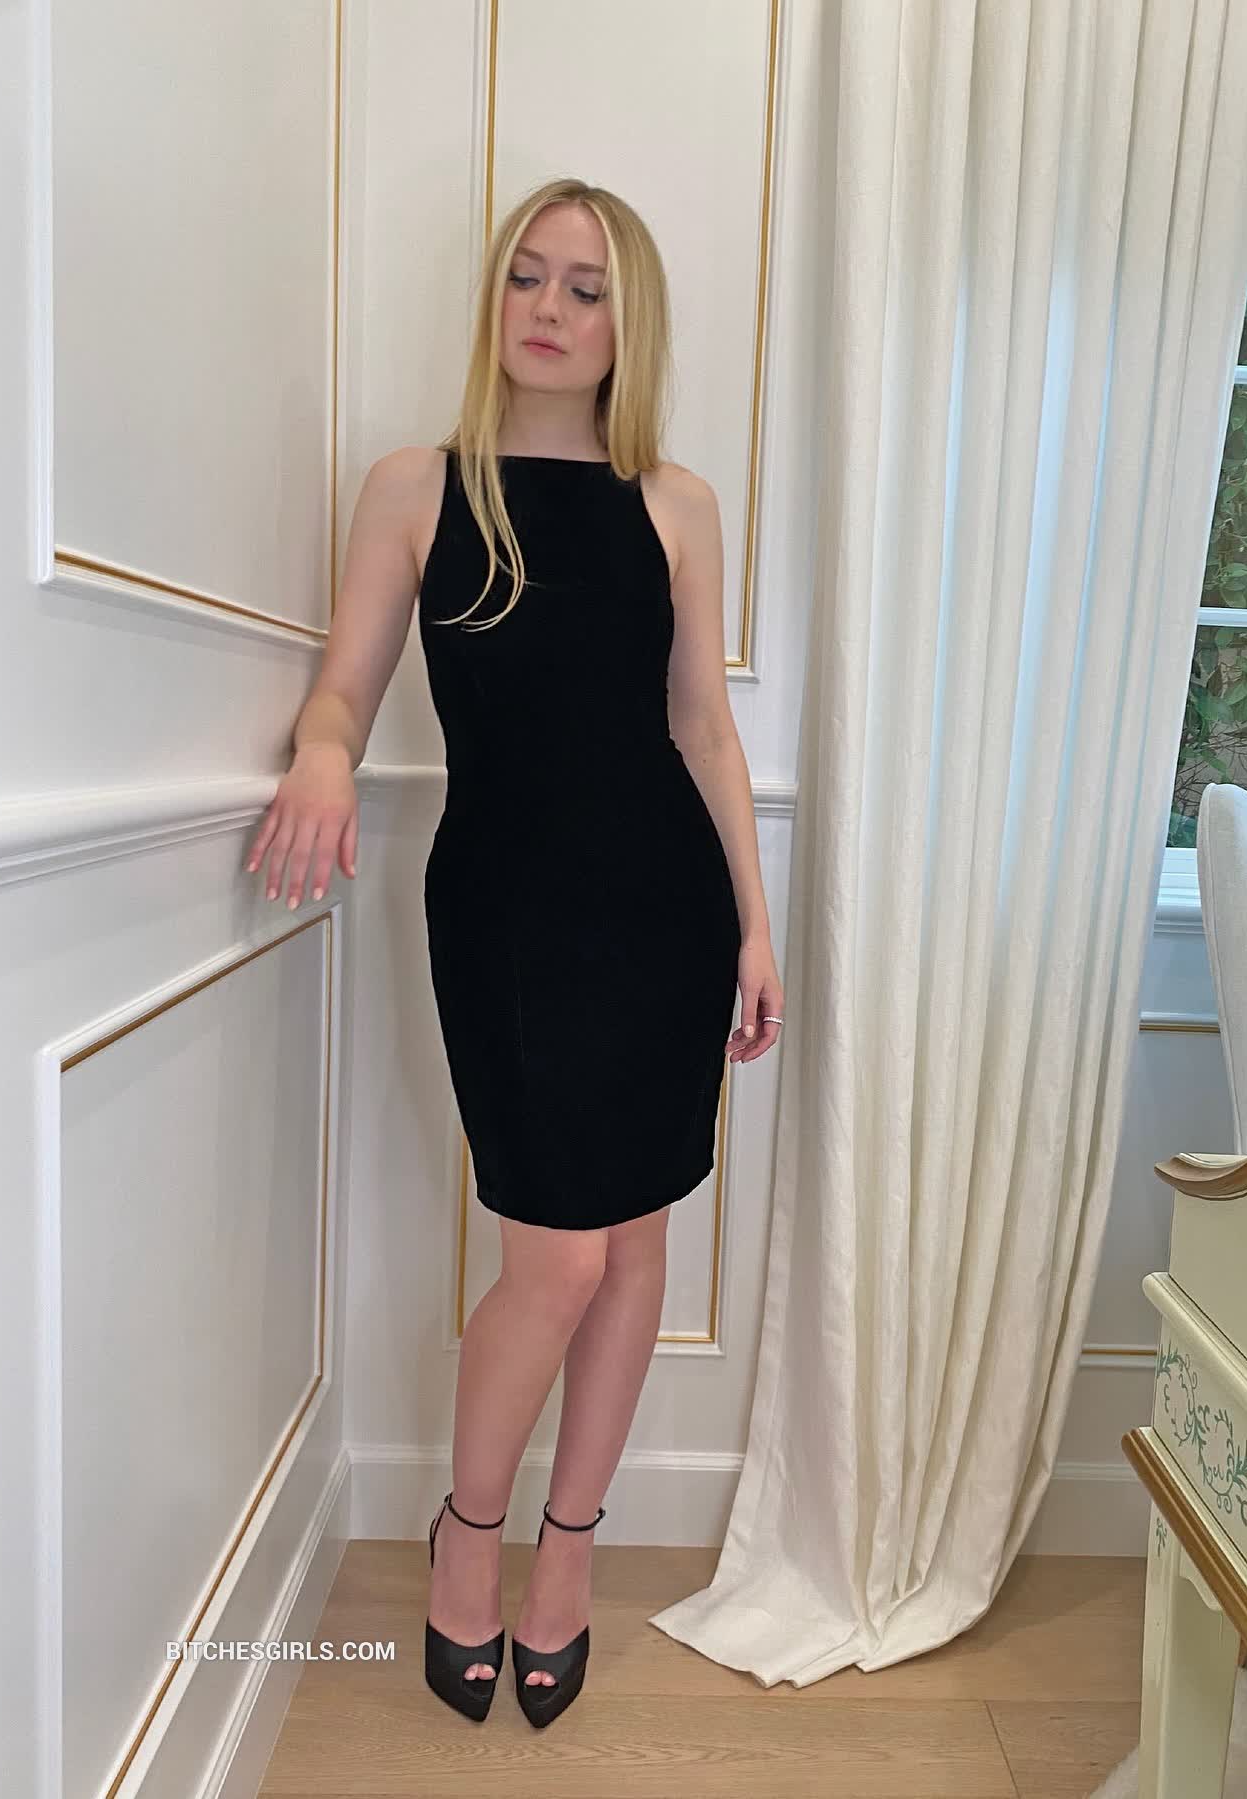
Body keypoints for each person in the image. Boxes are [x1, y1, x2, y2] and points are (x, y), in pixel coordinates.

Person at [243, 177, 783, 1728]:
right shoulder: (417, 486)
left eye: (585, 289)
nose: (549, 310)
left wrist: (754, 922)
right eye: (528, 277)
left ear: (628, 323)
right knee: (556, 1254)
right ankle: (467, 1534)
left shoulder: (676, 503)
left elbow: (703, 725)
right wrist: (324, 753)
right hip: (507, 909)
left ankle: (572, 1554)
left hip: (666, 912)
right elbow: (345, 686)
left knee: (635, 1244)